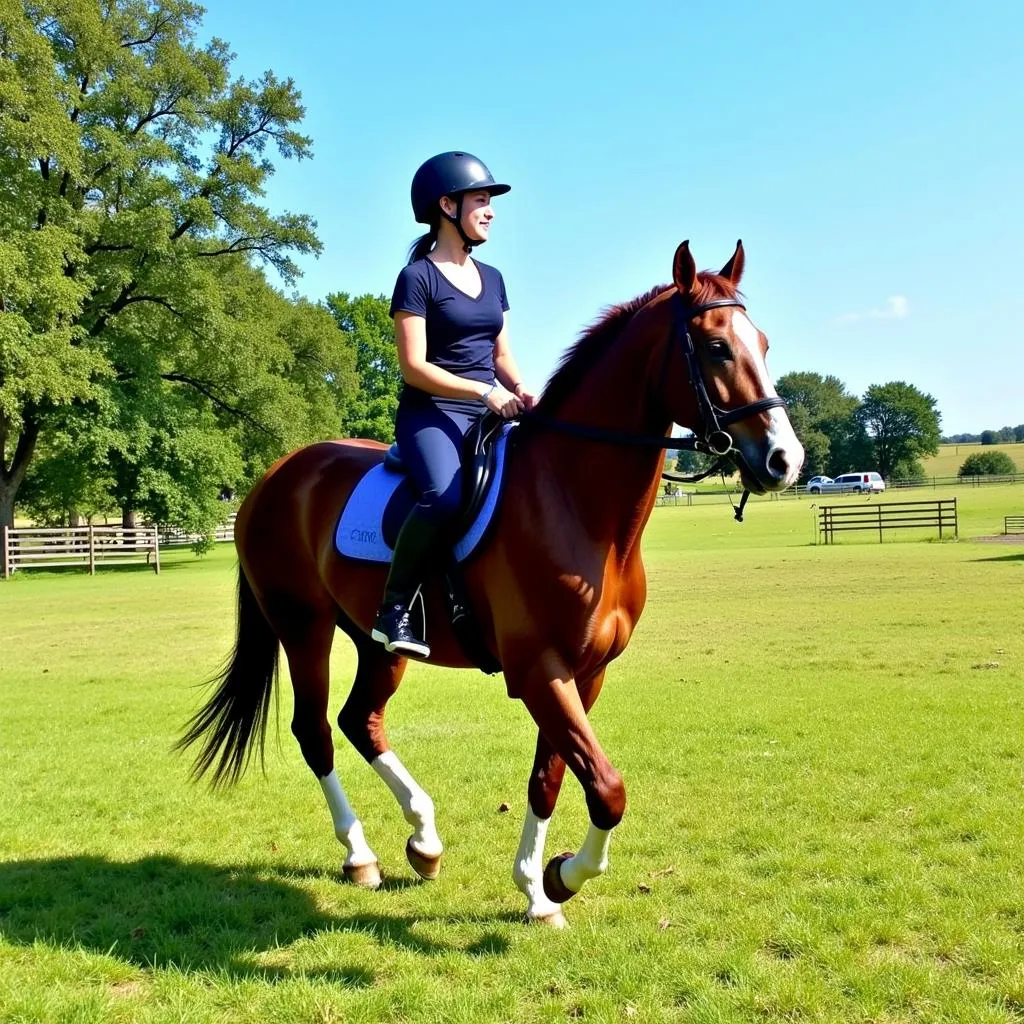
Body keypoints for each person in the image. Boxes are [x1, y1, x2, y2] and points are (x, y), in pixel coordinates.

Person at [371, 151, 536, 659]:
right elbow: (414, 368)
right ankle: (394, 607)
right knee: (443, 497)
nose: (490, 211)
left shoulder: (495, 278)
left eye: (490, 202)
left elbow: (501, 352)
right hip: (432, 414)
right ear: (447, 205)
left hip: (491, 410)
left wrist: (524, 390)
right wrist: (484, 391)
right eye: (481, 200)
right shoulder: (417, 278)